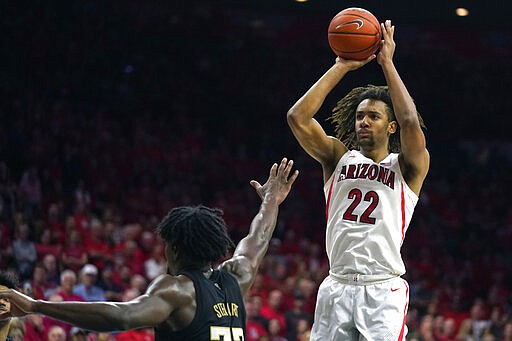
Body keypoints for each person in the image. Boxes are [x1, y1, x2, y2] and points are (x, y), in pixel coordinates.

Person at [0, 158, 299, 340]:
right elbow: (258, 238)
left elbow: (122, 316)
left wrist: (35, 305)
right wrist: (270, 200)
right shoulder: (238, 277)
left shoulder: (179, 290)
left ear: (176, 249)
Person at [286, 20, 429, 340]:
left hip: (382, 290)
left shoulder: (406, 167)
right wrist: (341, 65)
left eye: (374, 116)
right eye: (360, 116)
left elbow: (409, 120)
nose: (363, 121)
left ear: (390, 126)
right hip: (336, 285)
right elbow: (297, 117)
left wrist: (387, 64)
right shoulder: (337, 157)